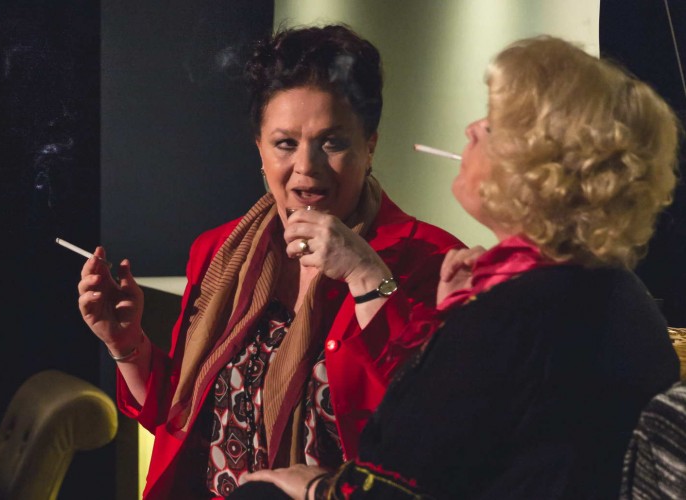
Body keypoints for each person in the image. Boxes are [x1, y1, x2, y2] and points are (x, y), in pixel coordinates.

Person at [240, 35, 682, 499]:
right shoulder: (611, 292)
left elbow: (402, 474)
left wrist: (316, 489)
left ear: (537, 168)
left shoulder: (516, 313)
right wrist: (454, 322)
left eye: (493, 126)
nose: (471, 129)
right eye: (285, 143)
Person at [77, 24, 463, 499]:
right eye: (285, 143)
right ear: (259, 148)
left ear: (370, 145)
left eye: (332, 142)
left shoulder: (432, 259)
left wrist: (368, 276)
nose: (307, 166)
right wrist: (126, 344)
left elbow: (434, 431)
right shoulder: (221, 251)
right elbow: (183, 420)